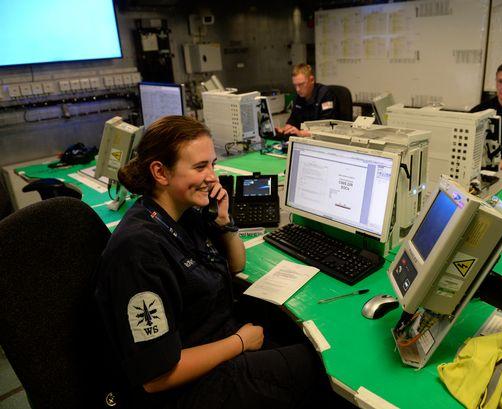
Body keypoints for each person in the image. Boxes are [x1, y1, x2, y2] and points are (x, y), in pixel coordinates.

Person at [94, 116, 331, 409]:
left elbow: (236, 265)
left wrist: (224, 221)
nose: (212, 177)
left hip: (217, 342)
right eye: (200, 167)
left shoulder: (184, 214)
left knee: (297, 339)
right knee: (315, 366)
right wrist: (240, 342)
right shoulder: (138, 251)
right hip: (187, 387)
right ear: (160, 172)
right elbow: (156, 377)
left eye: (213, 164)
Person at [275, 63, 338, 137]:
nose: (297, 89)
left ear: (312, 80)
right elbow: (293, 119)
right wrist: (285, 130)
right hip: (305, 138)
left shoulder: (326, 94)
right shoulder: (299, 96)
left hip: (326, 139)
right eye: (295, 85)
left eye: (301, 84)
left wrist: (301, 133)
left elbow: (327, 127)